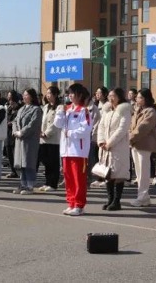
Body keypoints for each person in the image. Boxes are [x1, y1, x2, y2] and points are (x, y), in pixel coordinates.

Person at [53, 83, 93, 216]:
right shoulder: (67, 109)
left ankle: (79, 205)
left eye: (72, 93)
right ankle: (71, 203)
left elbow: (86, 129)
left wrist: (70, 133)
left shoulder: (84, 111)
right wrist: (60, 112)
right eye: (68, 93)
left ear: (79, 95)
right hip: (66, 150)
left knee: (78, 179)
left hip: (78, 151)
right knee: (68, 178)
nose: (70, 96)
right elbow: (57, 124)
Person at [96, 88, 132, 211]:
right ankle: (110, 199)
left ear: (119, 97)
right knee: (107, 174)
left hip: (118, 146)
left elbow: (122, 129)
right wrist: (101, 141)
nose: (111, 98)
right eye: (110, 96)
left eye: (114, 96)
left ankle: (117, 201)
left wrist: (110, 142)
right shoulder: (107, 111)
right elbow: (101, 126)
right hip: (105, 147)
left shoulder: (124, 110)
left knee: (118, 173)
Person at [129, 89, 156, 207]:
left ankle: (143, 196)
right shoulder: (137, 110)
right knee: (138, 172)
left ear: (146, 99)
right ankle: (143, 196)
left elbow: (143, 128)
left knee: (143, 172)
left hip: (144, 145)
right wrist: (130, 135)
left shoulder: (151, 111)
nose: (137, 99)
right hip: (135, 144)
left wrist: (130, 137)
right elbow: (131, 126)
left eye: (139, 97)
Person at [12, 89, 43, 195]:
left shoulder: (36, 110)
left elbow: (33, 124)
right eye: (24, 95)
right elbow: (15, 121)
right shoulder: (21, 109)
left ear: (32, 97)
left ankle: (30, 186)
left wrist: (22, 132)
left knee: (28, 163)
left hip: (30, 140)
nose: (24, 97)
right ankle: (23, 184)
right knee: (21, 163)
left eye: (27, 95)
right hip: (20, 140)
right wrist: (15, 131)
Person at [38, 86, 62, 191]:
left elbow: (55, 124)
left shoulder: (59, 107)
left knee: (53, 162)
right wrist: (40, 132)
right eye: (47, 93)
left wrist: (46, 133)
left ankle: (53, 184)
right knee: (46, 161)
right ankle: (47, 182)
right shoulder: (45, 107)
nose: (48, 95)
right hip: (43, 139)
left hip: (53, 139)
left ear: (56, 95)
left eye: (50, 93)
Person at [89, 87, 109, 188]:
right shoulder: (95, 105)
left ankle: (106, 178)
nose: (97, 94)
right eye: (96, 93)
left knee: (104, 157)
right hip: (95, 135)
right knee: (97, 157)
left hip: (103, 134)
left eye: (100, 93)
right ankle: (99, 178)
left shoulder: (108, 105)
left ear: (105, 94)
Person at [5, 90, 22, 179]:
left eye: (10, 98)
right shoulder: (9, 108)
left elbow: (18, 120)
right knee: (9, 153)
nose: (9, 100)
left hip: (15, 133)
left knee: (16, 153)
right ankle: (13, 171)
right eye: (8, 98)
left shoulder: (20, 108)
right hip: (8, 133)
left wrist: (12, 123)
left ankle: (18, 171)